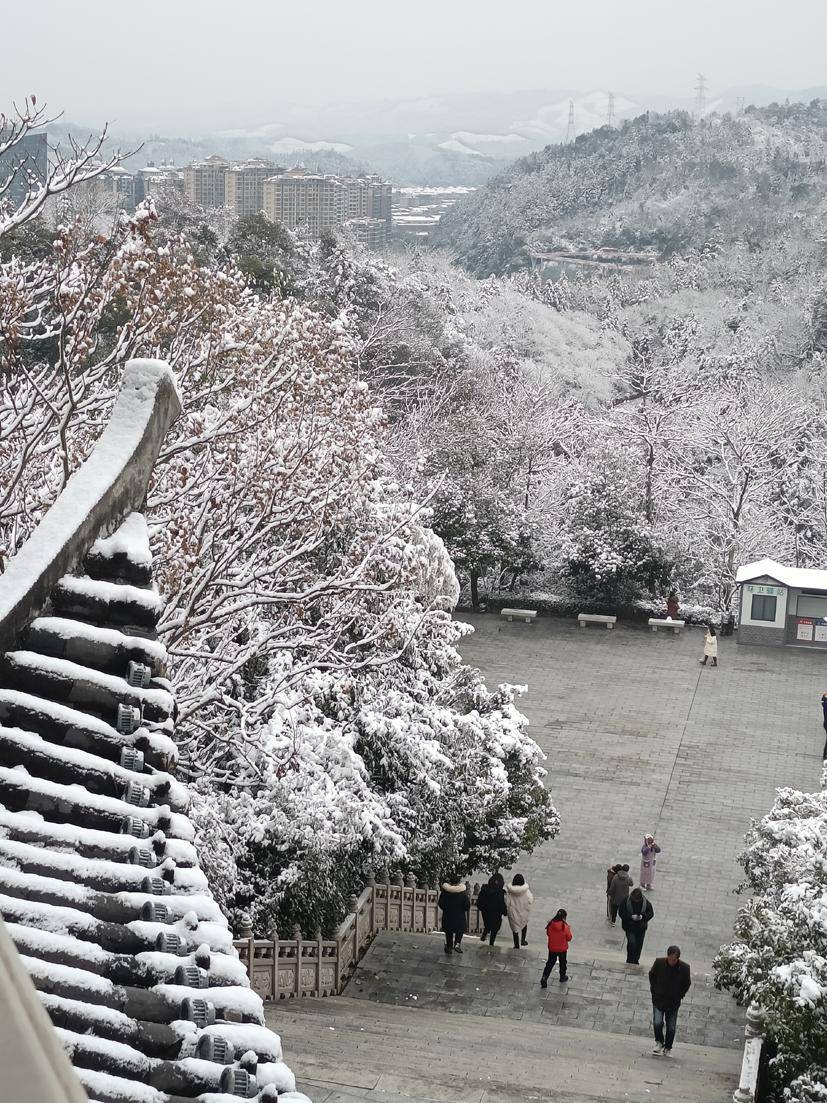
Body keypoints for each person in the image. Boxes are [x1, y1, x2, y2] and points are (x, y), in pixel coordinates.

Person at [649, 945, 692, 1056]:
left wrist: (680, 995)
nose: (673, 961)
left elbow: (687, 983)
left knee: (671, 1026)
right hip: (659, 999)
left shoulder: (684, 968)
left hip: (673, 1002)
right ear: (667, 956)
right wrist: (654, 990)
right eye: (671, 959)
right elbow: (652, 975)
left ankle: (668, 1047)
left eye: (675, 959)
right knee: (657, 1022)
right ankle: (659, 1042)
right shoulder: (659, 963)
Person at [619, 887, 653, 964]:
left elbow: (651, 913)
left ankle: (636, 960)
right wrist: (630, 916)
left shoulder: (645, 903)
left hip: (641, 928)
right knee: (632, 943)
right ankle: (630, 959)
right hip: (629, 927)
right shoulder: (625, 901)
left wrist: (643, 917)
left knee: (639, 945)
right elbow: (621, 912)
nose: (636, 902)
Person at [438, 876, 470, 954]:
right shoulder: (463, 893)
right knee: (459, 931)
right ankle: (457, 944)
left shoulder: (445, 892)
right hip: (460, 916)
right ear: (459, 882)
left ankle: (449, 946)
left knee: (449, 931)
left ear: (450, 882)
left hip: (448, 915)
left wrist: (446, 909)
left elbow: (441, 903)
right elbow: (467, 906)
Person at [541, 909, 572, 986]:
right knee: (563, 963)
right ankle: (562, 976)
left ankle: (544, 977)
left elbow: (548, 933)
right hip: (562, 949)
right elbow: (569, 938)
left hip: (552, 948)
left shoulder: (550, 924)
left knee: (550, 963)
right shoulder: (565, 927)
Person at [477, 873, 507, 946]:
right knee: (495, 928)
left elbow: (479, 901)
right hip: (496, 914)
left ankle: (484, 936)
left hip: (486, 911)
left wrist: (482, 908)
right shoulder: (500, 893)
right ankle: (491, 943)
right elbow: (501, 904)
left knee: (487, 923)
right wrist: (505, 912)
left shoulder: (484, 890)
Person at [506, 873, 534, 948]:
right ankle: (523, 940)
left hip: (513, 912)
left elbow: (507, 902)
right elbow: (530, 899)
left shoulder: (510, 891)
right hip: (523, 912)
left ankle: (516, 945)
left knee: (515, 929)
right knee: (524, 924)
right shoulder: (525, 890)